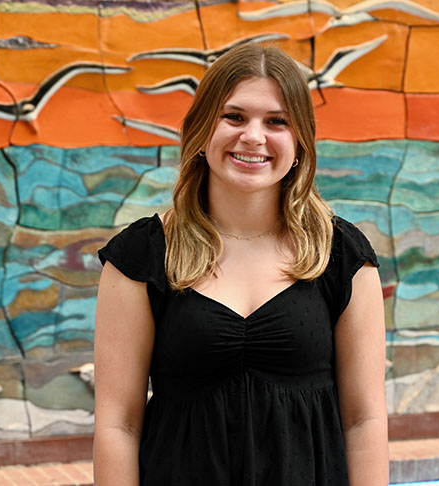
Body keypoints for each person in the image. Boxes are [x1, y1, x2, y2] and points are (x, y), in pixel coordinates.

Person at [93, 42, 388, 485]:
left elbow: (364, 419)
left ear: (300, 139)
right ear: (201, 129)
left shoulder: (340, 254)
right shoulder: (143, 256)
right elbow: (119, 424)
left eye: (277, 121)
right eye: (234, 117)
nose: (253, 137)